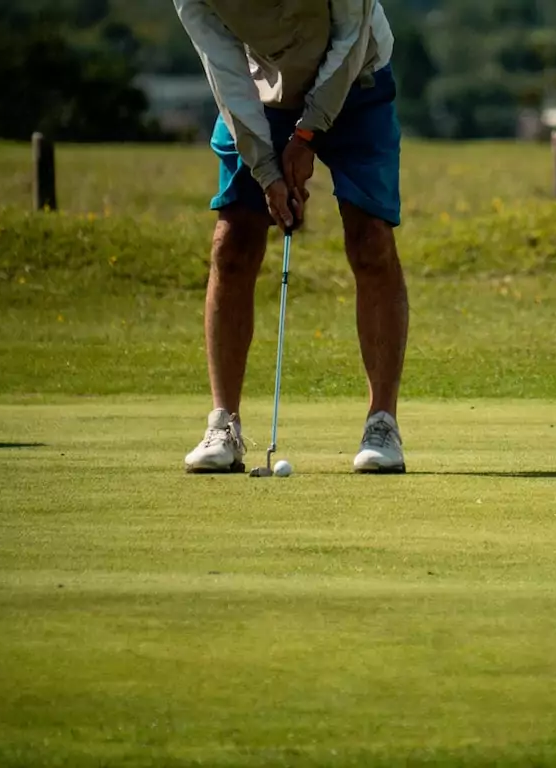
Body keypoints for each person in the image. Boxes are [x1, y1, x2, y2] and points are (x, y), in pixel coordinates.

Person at [173, 0, 409, 475]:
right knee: (232, 243)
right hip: (262, 92)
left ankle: (382, 423)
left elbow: (349, 35)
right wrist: (267, 171)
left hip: (356, 74)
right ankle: (224, 425)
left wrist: (306, 136)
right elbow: (224, 69)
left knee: (371, 240)